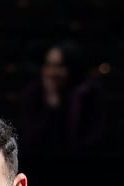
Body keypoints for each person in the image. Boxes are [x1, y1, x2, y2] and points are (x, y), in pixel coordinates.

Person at [16, 42, 104, 177]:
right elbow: (30, 139)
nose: (52, 72)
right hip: (40, 168)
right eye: (48, 65)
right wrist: (52, 102)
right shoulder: (33, 93)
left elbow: (85, 140)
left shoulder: (87, 96)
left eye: (59, 66)